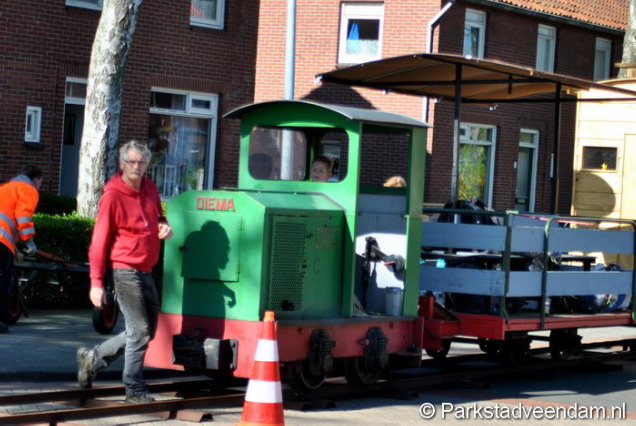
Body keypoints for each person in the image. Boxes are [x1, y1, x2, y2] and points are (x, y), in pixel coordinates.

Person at [76, 140, 173, 404]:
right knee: (140, 331)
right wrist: (96, 283)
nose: (137, 167)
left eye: (142, 162)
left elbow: (158, 217)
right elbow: (99, 242)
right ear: (122, 163)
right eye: (131, 162)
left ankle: (93, 358)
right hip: (124, 269)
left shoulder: (150, 188)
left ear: (147, 165)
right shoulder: (113, 196)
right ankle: (134, 388)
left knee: (147, 330)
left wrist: (164, 226)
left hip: (146, 269)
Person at [0, 166, 43, 333]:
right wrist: (29, 242)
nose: (40, 185)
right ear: (36, 179)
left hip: (4, 240)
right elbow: (23, 218)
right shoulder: (28, 190)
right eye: (41, 181)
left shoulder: (5, 188)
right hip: (2, 240)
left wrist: (15, 250)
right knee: (3, 282)